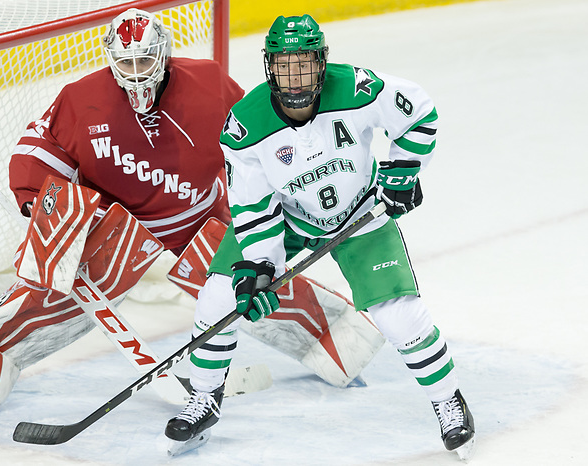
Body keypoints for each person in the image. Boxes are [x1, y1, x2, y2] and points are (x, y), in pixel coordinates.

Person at [165, 14, 475, 459]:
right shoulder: (244, 128)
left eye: (305, 63)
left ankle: (449, 400)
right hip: (287, 218)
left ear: (322, 62)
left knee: (400, 317)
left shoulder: (357, 89)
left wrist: (404, 169)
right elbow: (253, 207)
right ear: (270, 66)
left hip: (361, 212)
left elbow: (419, 110)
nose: (296, 77)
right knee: (219, 296)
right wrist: (261, 268)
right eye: (285, 65)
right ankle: (206, 398)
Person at [0, 8, 243, 410]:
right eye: (126, 61)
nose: (136, 72)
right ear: (110, 58)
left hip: (199, 216)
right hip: (122, 227)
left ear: (164, 54)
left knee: (255, 279)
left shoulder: (210, 84)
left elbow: (250, 143)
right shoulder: (83, 98)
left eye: (144, 60)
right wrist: (37, 196)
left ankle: (333, 338)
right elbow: (42, 146)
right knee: (61, 302)